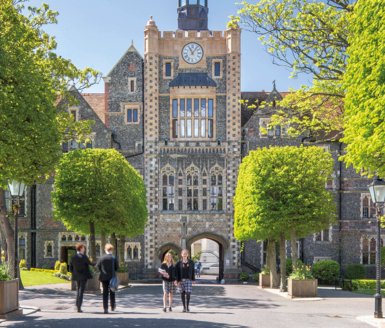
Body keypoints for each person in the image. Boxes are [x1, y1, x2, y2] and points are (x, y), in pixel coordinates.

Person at [69, 243, 93, 313]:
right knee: (81, 291)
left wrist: (74, 273)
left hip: (76, 276)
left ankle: (77, 305)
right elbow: (90, 264)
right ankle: (79, 307)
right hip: (83, 276)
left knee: (78, 290)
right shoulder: (84, 257)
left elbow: (70, 268)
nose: (84, 249)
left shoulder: (73, 257)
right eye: (84, 248)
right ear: (81, 248)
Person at [96, 243, 119, 314]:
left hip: (104, 277)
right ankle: (112, 306)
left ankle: (105, 308)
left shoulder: (101, 258)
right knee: (112, 292)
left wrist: (102, 271)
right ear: (111, 250)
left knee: (105, 293)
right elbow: (117, 267)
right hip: (112, 277)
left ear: (105, 249)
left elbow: (98, 266)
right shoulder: (114, 258)